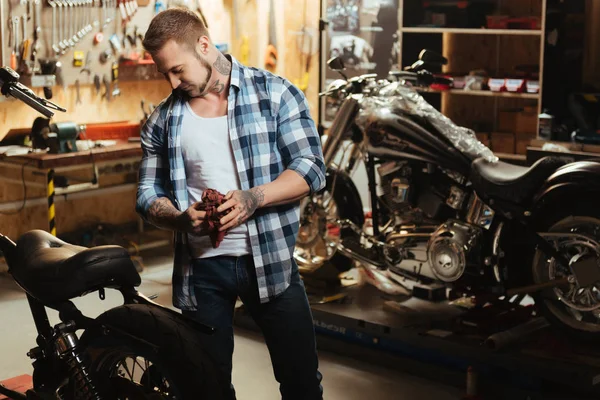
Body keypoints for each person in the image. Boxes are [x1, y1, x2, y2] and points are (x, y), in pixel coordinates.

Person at [136, 7, 326, 400]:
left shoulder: (276, 93)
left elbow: (311, 169)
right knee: (207, 387)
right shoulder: (162, 121)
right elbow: (147, 196)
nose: (172, 82)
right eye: (164, 73)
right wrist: (178, 219)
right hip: (201, 274)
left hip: (272, 264)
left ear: (204, 46)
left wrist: (253, 198)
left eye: (178, 69)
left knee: (302, 384)